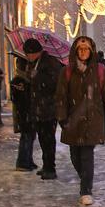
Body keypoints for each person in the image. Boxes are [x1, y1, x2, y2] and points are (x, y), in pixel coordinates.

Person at [56, 37, 105, 206]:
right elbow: (61, 97)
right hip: (73, 120)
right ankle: (85, 177)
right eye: (80, 49)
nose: (83, 52)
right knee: (75, 156)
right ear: (75, 51)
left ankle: (86, 190)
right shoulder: (67, 71)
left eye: (86, 49)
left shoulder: (100, 71)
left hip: (92, 120)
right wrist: (61, 117)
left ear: (91, 51)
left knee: (86, 155)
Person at [23, 38, 63, 180]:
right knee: (42, 138)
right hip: (38, 108)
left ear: (36, 52)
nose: (28, 56)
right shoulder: (34, 64)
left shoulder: (50, 63)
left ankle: (50, 168)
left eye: (29, 53)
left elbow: (55, 84)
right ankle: (46, 165)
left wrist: (38, 78)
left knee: (48, 139)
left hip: (49, 108)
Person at [10, 57, 36, 171]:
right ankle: (22, 162)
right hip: (24, 113)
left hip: (29, 112)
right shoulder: (18, 80)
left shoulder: (26, 79)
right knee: (26, 137)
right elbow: (19, 98)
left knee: (30, 137)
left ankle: (28, 160)